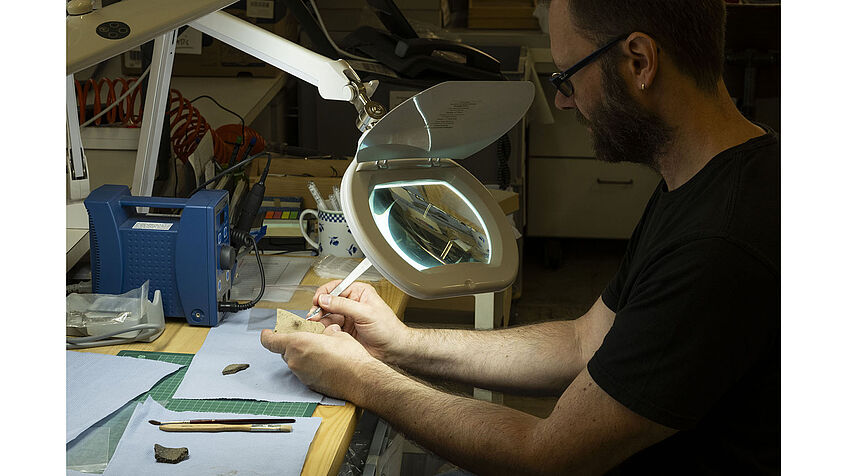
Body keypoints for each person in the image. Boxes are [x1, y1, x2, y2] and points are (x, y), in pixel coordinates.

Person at [261, 0, 779, 473]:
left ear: (639, 61)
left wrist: (358, 378)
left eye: (568, 77)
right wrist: (400, 345)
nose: (564, 101)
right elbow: (585, 344)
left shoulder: (721, 243)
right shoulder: (707, 180)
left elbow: (545, 455)